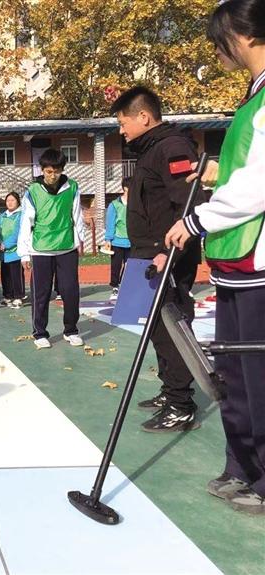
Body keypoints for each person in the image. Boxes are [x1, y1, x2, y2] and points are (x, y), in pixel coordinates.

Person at [165, 0, 265, 512]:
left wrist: (195, 219)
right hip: (233, 258)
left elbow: (258, 184)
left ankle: (262, 478)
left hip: (256, 260)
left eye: (219, 42)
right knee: (231, 373)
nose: (218, 52)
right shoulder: (252, 97)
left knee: (256, 374)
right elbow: (243, 172)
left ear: (240, 36)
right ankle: (241, 465)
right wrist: (214, 177)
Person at [110, 86, 202, 432]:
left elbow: (188, 204)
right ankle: (170, 390)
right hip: (145, 253)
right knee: (153, 329)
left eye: (123, 122)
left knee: (171, 330)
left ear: (144, 117)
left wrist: (169, 253)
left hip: (165, 257)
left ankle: (181, 405)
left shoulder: (172, 147)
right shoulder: (150, 150)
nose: (121, 130)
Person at [17, 148, 87, 350]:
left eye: (56, 171)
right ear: (42, 170)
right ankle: (40, 332)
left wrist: (79, 241)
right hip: (41, 250)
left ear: (62, 170)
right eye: (48, 171)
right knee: (41, 293)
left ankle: (71, 330)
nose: (52, 175)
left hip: (66, 248)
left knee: (70, 291)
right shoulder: (32, 191)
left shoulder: (72, 187)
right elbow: (26, 222)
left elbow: (77, 217)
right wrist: (24, 253)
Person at [0, 192, 24, 308]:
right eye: (8, 200)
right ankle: (7, 296)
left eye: (12, 200)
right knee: (5, 275)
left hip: (15, 251)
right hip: (3, 252)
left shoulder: (20, 215)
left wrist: (6, 244)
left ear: (17, 201)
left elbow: (18, 232)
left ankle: (18, 296)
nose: (10, 203)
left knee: (16, 275)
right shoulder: (2, 216)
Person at [103, 178, 132, 301]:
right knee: (116, 265)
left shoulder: (137, 204)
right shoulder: (114, 205)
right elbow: (110, 223)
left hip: (132, 241)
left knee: (129, 265)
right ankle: (115, 287)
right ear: (125, 188)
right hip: (117, 241)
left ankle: (124, 286)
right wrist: (108, 240)